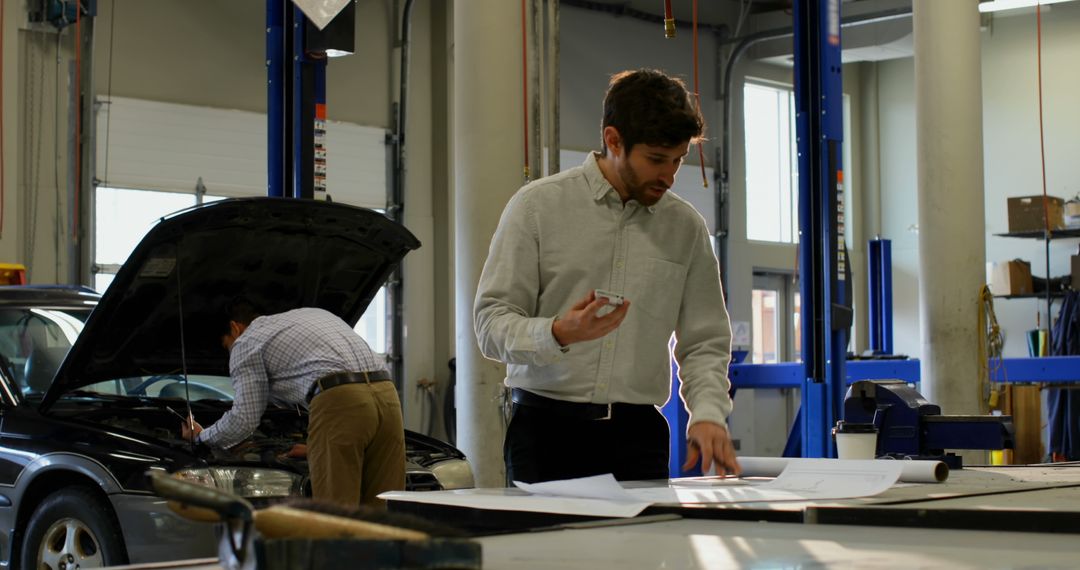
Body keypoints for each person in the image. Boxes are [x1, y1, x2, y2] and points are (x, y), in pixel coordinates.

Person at [474, 68, 740, 483]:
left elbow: (704, 341)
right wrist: (559, 332)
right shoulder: (537, 208)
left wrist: (707, 414)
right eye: (656, 160)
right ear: (614, 140)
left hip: (638, 438)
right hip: (546, 434)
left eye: (678, 160)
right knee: (537, 550)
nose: (669, 176)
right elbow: (490, 325)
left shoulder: (685, 228)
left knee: (640, 551)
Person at [180, 299, 405, 508]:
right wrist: (317, 448)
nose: (230, 351)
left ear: (235, 328)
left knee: (337, 514)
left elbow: (244, 419)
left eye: (226, 345)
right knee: (381, 511)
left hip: (340, 400)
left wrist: (201, 437)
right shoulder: (314, 315)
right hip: (387, 396)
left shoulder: (246, 343)